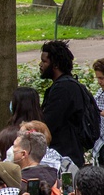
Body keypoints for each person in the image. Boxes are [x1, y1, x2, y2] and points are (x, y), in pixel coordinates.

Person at [39, 40, 92, 168]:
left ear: (55, 64)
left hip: (64, 156)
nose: (40, 65)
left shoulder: (63, 89)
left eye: (44, 61)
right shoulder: (68, 85)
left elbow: (49, 123)